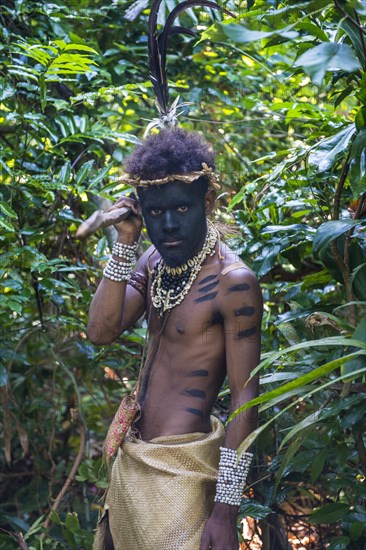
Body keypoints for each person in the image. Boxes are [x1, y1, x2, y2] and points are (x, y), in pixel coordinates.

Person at [88, 127, 263, 550]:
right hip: (131, 457)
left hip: (183, 469)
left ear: (207, 202)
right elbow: (101, 331)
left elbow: (246, 399)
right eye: (153, 213)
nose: (167, 225)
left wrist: (225, 511)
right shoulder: (153, 259)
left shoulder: (232, 282)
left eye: (181, 208)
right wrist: (126, 243)